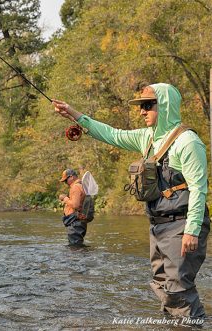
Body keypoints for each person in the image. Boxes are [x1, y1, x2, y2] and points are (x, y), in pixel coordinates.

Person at [53, 83, 210, 320]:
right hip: (158, 225)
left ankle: (194, 325)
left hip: (182, 225)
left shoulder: (187, 142)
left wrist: (192, 231)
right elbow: (111, 134)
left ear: (165, 106)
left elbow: (199, 189)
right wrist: (74, 113)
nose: (142, 111)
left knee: (179, 288)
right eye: (140, 106)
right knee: (161, 285)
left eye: (147, 106)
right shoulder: (146, 137)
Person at [59, 168, 87, 246]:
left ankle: (78, 258)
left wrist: (65, 198)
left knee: (75, 248)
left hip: (75, 223)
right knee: (77, 247)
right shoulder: (82, 185)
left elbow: (76, 205)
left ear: (71, 177)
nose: (65, 183)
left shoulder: (76, 187)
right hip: (79, 221)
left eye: (65, 180)